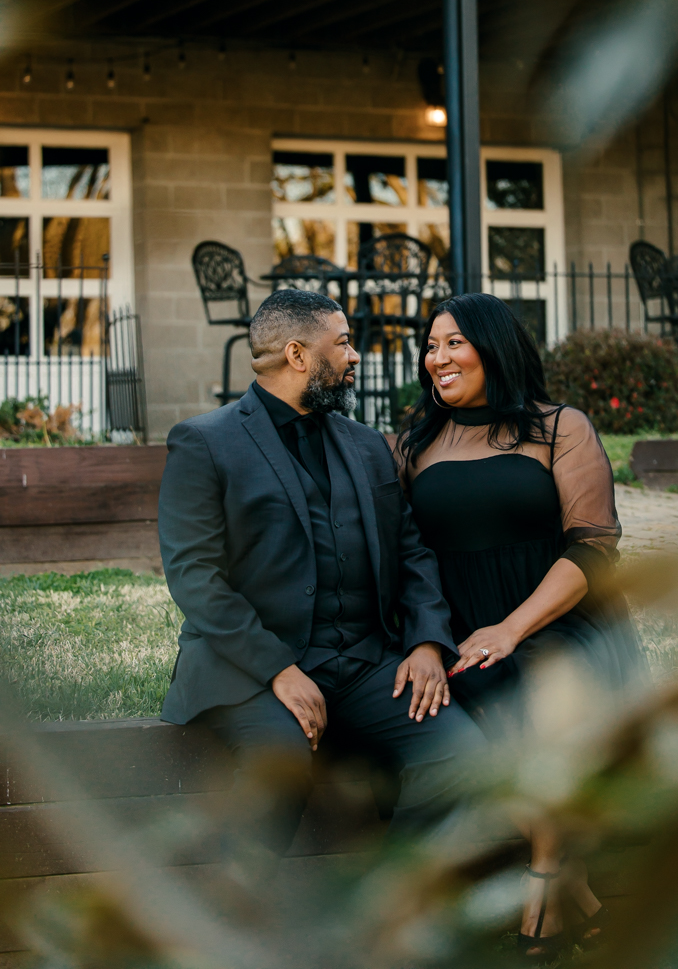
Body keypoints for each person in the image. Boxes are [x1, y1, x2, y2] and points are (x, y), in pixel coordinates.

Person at [158, 288, 484, 856]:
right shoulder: (204, 442)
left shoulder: (368, 445)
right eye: (344, 343)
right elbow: (194, 576)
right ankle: (232, 908)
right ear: (298, 355)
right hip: (250, 672)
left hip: (364, 665)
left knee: (463, 757)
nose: (355, 356)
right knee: (281, 767)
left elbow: (411, 552)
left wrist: (427, 642)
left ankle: (390, 902)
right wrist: (278, 668)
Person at [395, 293, 644, 962]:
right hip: (460, 629)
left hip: (556, 617)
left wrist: (511, 628)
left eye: (453, 342)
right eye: (430, 345)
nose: (437, 358)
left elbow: (593, 548)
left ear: (494, 347)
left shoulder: (560, 427)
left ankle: (542, 883)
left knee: (539, 692)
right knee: (464, 720)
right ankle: (578, 894)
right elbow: (405, 556)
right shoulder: (416, 443)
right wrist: (432, 639)